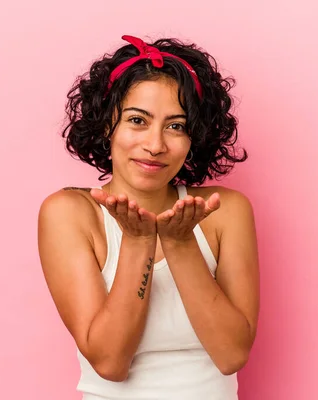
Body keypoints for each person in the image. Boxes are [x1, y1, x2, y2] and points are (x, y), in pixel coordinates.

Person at [37, 34, 260, 399]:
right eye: (138, 120)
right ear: (107, 124)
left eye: (176, 126)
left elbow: (231, 354)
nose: (156, 144)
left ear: (194, 137)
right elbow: (110, 362)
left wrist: (179, 241)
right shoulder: (69, 214)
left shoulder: (225, 211)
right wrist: (139, 240)